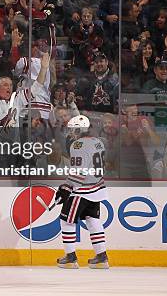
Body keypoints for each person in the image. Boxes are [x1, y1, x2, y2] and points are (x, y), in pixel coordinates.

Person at [55, 115, 109, 269]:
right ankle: (101, 257)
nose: (70, 133)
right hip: (97, 188)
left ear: (79, 129)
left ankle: (70, 257)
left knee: (66, 221)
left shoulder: (78, 145)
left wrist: (67, 187)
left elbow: (79, 170)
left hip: (81, 191)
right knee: (93, 220)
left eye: (72, 129)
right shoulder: (99, 142)